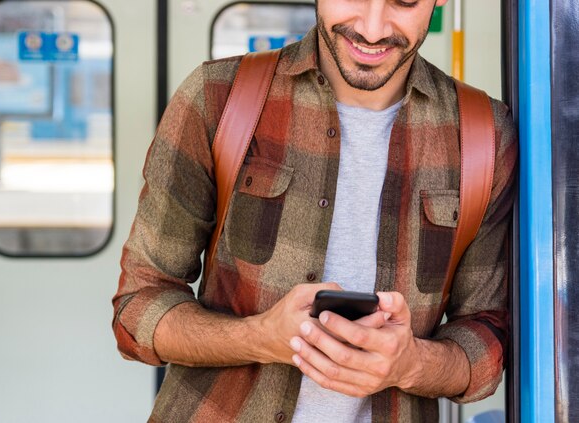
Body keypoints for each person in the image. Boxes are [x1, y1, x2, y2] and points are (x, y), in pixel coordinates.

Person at [112, 0, 517, 421]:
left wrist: (411, 363)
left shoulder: (484, 136)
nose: (373, 29)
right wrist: (258, 338)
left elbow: (487, 335)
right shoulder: (217, 98)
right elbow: (138, 306)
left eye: (404, 1)